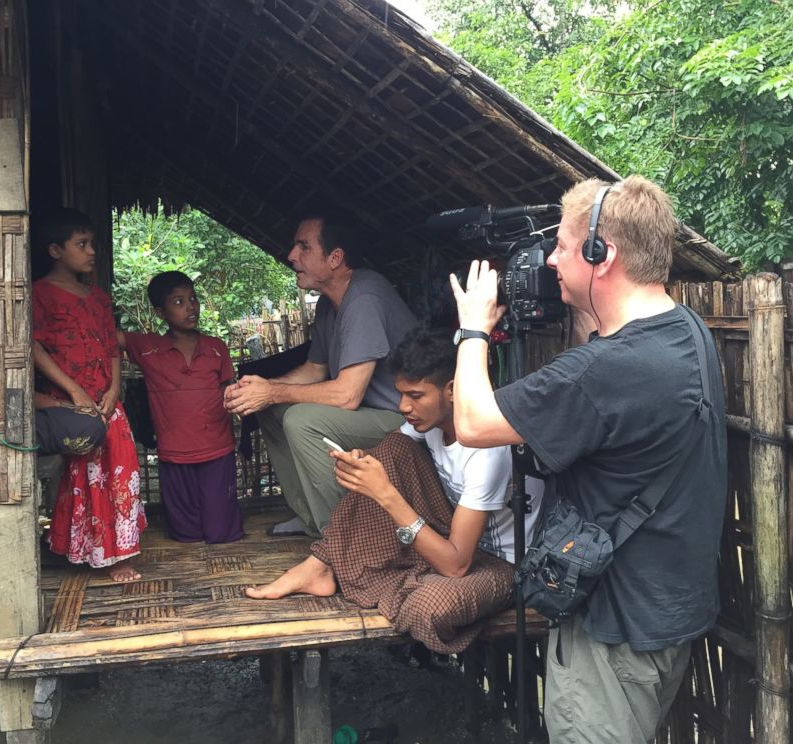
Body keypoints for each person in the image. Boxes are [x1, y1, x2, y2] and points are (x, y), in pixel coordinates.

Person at [449, 176, 726, 743]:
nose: (551, 259)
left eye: (565, 245)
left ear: (604, 255)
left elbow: (472, 422)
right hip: (668, 610)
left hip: (613, 630)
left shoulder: (609, 372)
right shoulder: (685, 332)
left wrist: (472, 329)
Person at [245, 329, 543, 653]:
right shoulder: (426, 426)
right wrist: (364, 466)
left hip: (502, 563)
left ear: (453, 391)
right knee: (390, 451)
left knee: (428, 605)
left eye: (415, 396)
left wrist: (385, 493)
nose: (403, 406)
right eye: (400, 394)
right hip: (451, 538)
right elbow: (389, 457)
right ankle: (320, 564)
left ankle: (398, 579)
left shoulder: (487, 449)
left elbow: (457, 566)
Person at [224, 213, 417, 537]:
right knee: (270, 410)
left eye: (304, 247)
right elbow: (315, 370)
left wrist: (272, 391)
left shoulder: (364, 297)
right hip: (368, 413)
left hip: (405, 420)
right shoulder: (330, 303)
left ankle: (339, 540)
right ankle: (311, 515)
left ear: (335, 258)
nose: (291, 256)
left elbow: (347, 394)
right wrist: (258, 389)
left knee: (301, 420)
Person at [33, 208, 147, 582]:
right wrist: (74, 391)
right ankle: (82, 549)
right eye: (81, 244)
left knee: (119, 475)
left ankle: (119, 556)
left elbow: (112, 348)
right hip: (71, 403)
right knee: (81, 476)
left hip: (107, 401)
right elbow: (34, 348)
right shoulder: (41, 294)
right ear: (55, 250)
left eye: (92, 243)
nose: (91, 251)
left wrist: (114, 389)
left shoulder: (97, 297)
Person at [123, 271, 244, 544]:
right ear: (160, 312)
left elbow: (227, 389)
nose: (191, 307)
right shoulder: (148, 348)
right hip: (174, 455)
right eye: (178, 302)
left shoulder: (216, 348)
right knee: (185, 535)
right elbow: (104, 335)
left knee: (220, 532)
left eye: (193, 299)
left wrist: (238, 399)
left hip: (217, 450)